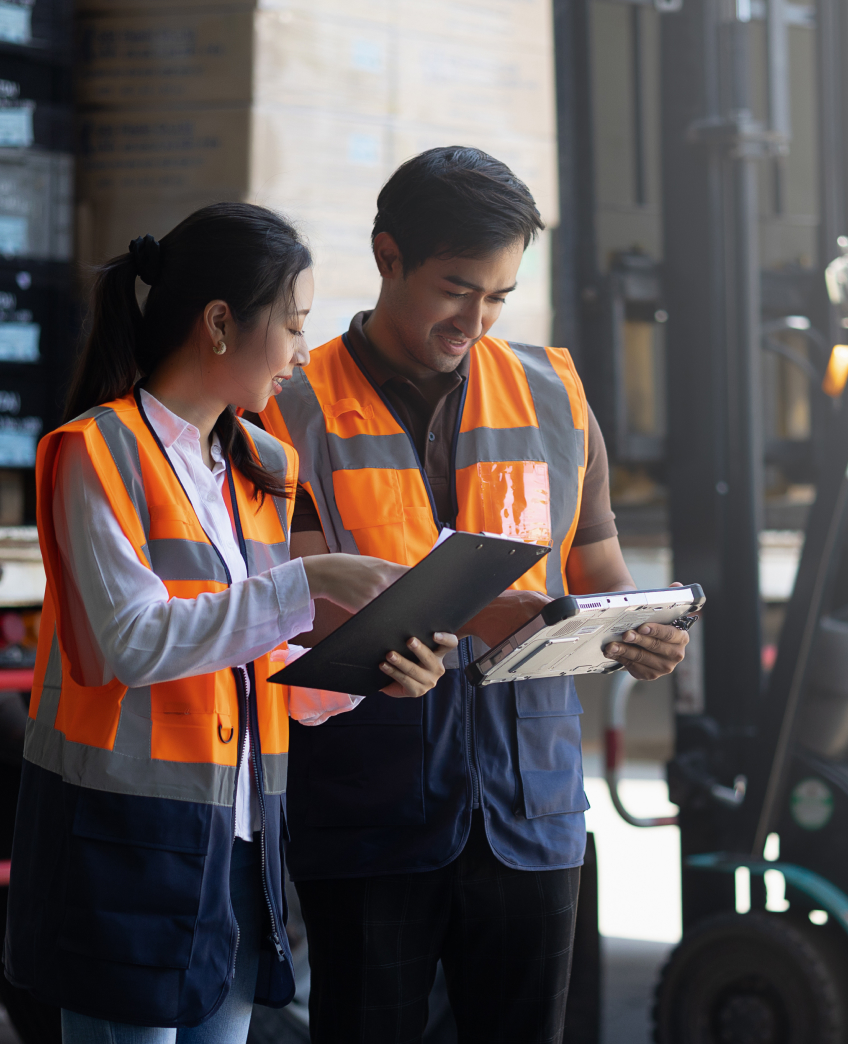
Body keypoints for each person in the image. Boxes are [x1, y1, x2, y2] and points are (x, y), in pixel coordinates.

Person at [254, 146, 689, 1043]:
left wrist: (639, 628)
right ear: (387, 257)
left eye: (499, 296)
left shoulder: (554, 396)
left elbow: (596, 565)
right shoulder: (292, 408)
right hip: (371, 807)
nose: (477, 321)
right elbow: (277, 606)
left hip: (528, 808)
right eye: (457, 289)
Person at [3, 202, 457, 1042]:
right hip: (122, 842)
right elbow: (131, 642)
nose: (302, 353)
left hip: (242, 842)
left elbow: (255, 656)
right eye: (291, 326)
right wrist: (311, 578)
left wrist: (362, 668)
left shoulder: (261, 464)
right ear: (219, 324)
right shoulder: (95, 453)